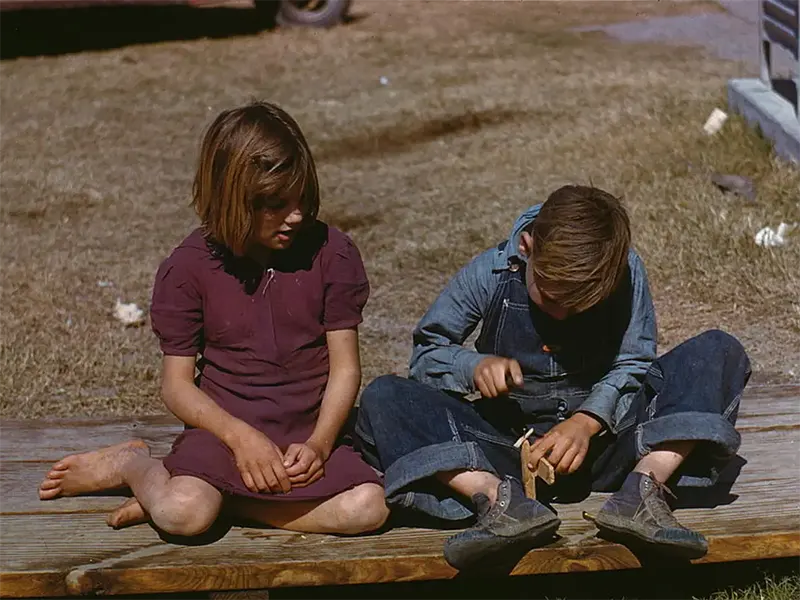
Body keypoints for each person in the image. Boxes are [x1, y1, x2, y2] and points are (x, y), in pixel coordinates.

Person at [39, 101, 389, 537]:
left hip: (306, 435)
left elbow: (345, 367)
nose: (296, 215)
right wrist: (240, 439)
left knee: (368, 508)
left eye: (301, 199)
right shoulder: (188, 269)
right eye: (276, 204)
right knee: (183, 514)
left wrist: (320, 443)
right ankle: (134, 464)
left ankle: (228, 505)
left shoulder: (332, 254)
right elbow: (177, 385)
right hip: (223, 436)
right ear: (233, 199)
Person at [354, 185, 751, 569]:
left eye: (580, 305)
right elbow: (425, 355)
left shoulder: (627, 271)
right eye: (549, 295)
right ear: (527, 248)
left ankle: (642, 492)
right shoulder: (489, 274)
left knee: (717, 350)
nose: (561, 315)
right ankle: (499, 504)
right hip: (505, 454)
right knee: (384, 396)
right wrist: (470, 367)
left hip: (608, 446)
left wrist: (586, 421)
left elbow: (633, 363)